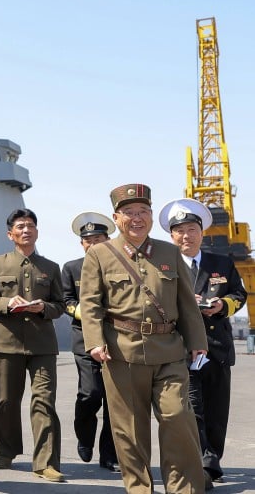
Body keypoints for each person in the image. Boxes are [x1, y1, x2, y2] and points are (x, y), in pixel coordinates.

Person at [80, 184, 208, 494]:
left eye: (143, 212)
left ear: (151, 215)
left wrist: (197, 341)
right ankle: (139, 489)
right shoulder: (99, 254)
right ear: (116, 217)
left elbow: (186, 304)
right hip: (121, 353)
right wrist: (95, 341)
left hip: (169, 351)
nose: (137, 218)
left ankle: (184, 489)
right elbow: (90, 303)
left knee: (178, 417)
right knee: (130, 430)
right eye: (129, 213)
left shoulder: (168, 252)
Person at [159, 198, 247, 486]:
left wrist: (222, 305)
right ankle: (203, 466)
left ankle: (213, 460)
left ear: (201, 232)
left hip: (217, 348)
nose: (187, 236)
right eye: (180, 231)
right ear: (172, 236)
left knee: (216, 411)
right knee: (192, 409)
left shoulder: (221, 262)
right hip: (182, 349)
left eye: (192, 229)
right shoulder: (163, 266)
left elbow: (239, 295)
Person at [0, 208, 64, 482]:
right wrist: (7, 303)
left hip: (42, 345)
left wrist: (44, 307)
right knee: (5, 401)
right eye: (20, 226)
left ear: (37, 232)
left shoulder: (51, 268)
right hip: (7, 343)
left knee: (44, 401)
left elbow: (61, 305)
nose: (26, 230)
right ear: (11, 234)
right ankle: (7, 450)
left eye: (30, 226)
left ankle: (46, 462)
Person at [60, 212, 119, 472]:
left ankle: (110, 455)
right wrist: (87, 313)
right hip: (85, 339)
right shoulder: (71, 268)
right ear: (81, 244)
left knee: (114, 401)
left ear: (108, 240)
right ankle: (85, 437)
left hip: (117, 340)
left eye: (98, 239)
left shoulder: (121, 264)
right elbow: (66, 301)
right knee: (91, 393)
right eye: (88, 240)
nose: (92, 243)